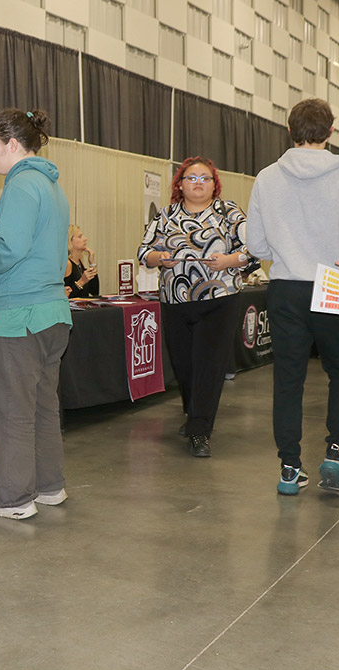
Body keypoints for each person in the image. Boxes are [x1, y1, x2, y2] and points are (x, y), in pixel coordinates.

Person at [244, 99, 339, 495]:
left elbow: (256, 244)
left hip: (287, 287)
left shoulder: (267, 177)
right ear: (331, 131)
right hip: (335, 282)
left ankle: (289, 467)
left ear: (289, 130)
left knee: (288, 380)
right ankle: (335, 452)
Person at [0, 108, 70, 520]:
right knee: (42, 405)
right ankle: (48, 485)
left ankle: (13, 498)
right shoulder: (51, 186)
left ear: (13, 145)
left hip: (22, 316)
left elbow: (9, 250)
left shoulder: (21, 186)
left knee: (10, 410)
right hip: (52, 312)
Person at [138, 156, 252, 457]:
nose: (198, 183)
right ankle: (192, 413)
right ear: (180, 184)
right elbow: (144, 252)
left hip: (220, 298)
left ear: (215, 184)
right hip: (175, 300)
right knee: (184, 364)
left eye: (205, 178)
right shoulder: (166, 215)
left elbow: (252, 250)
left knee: (209, 365)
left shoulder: (229, 213)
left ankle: (200, 430)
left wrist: (229, 261)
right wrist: (160, 258)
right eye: (191, 178)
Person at [65, 225, 99, 298]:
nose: (85, 239)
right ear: (69, 241)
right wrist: (81, 282)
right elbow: (65, 297)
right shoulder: (68, 264)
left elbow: (94, 291)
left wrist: (92, 264)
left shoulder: (79, 263)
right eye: (80, 237)